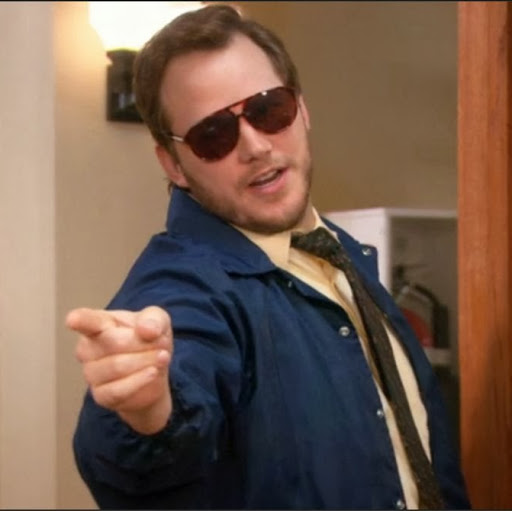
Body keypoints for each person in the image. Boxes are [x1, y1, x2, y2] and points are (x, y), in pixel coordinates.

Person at [67, 4, 470, 509]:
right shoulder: (183, 286)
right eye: (213, 135)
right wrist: (148, 413)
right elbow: (146, 451)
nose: (255, 145)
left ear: (301, 108)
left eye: (268, 109)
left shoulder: (336, 251)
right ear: (174, 165)